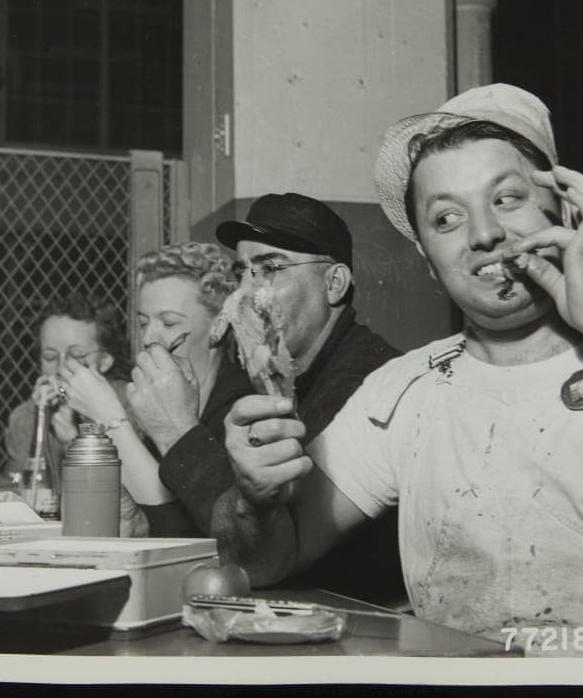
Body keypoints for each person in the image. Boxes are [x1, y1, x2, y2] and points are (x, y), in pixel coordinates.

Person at [212, 84, 583, 658]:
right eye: (447, 219)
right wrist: (256, 500)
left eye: (507, 199)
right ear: (428, 259)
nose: (484, 234)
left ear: (563, 208)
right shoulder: (405, 392)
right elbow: (270, 560)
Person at [154, 193, 406, 605]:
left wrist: (175, 430)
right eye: (243, 273)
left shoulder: (367, 379)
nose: (248, 292)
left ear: (334, 284)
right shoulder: (275, 379)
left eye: (271, 268)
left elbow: (267, 553)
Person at [57, 242, 254, 537]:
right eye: (143, 322)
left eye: (169, 322)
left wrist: (107, 414)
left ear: (219, 326)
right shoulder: (152, 400)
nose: (149, 337)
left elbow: (180, 525)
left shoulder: (240, 407)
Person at [1, 292, 132, 495]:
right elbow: (14, 494)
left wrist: (73, 441)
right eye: (50, 357)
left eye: (76, 356)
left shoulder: (129, 406)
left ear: (105, 361)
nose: (61, 368)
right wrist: (39, 424)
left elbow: (125, 497)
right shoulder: (25, 416)